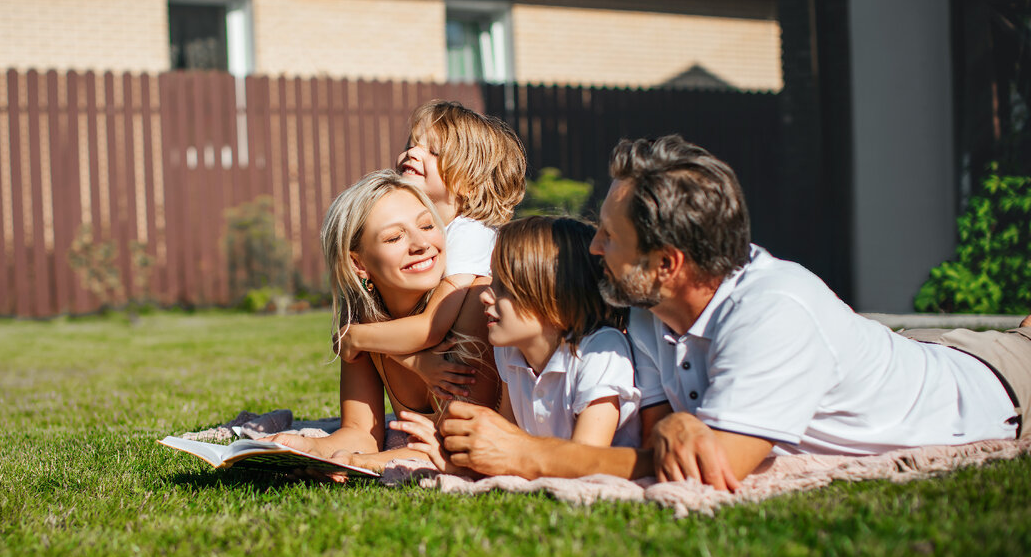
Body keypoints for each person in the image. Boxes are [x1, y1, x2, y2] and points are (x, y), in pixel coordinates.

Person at [436, 135, 1030, 490]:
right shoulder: (647, 310)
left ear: (667, 263)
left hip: (994, 386)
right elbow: (662, 436)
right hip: (926, 351)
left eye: (610, 239)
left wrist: (528, 455)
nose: (593, 250)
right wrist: (671, 423)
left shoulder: (772, 313)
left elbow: (714, 467)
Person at [268, 169, 498, 472]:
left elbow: (458, 448)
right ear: (358, 263)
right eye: (394, 237)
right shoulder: (364, 318)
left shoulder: (474, 299)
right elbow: (361, 432)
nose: (420, 244)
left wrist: (361, 463)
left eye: (427, 226)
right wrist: (310, 447)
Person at [395, 216, 661, 460]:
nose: (486, 296)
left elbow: (587, 457)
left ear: (555, 298)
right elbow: (507, 435)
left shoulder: (600, 351)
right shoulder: (510, 350)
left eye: (503, 288)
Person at [336, 101, 526, 401]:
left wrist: (356, 337)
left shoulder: (470, 233)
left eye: (433, 152)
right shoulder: (438, 232)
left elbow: (430, 328)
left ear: (469, 183)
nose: (413, 152)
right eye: (412, 143)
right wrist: (415, 362)